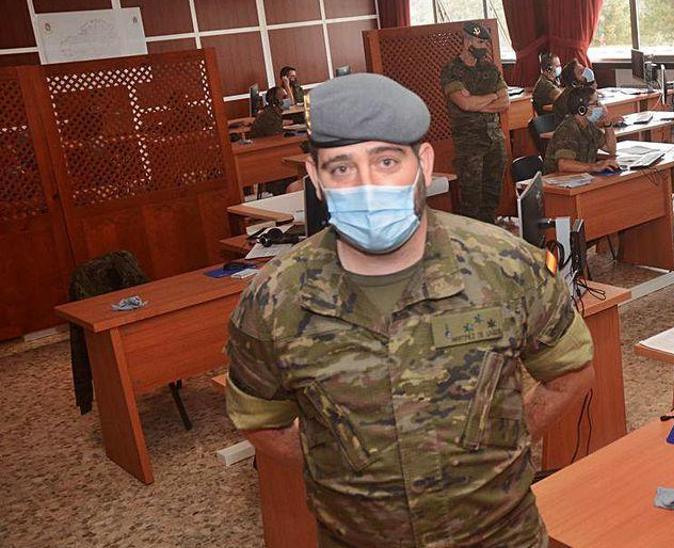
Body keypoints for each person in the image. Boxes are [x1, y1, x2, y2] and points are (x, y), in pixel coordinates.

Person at [224, 72, 596, 546]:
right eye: (342, 168)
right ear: (315, 177)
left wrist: (496, 447)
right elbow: (261, 421)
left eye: (386, 161)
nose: (367, 186)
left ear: (423, 162)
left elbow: (569, 372)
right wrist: (349, 467)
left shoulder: (504, 266)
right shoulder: (274, 298)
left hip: (500, 535)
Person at [441, 22, 510, 223]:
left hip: (494, 141)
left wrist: (477, 101)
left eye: (486, 43)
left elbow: (504, 103)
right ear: (467, 41)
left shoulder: (490, 68)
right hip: (470, 145)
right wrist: (492, 96)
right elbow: (465, 104)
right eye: (480, 42)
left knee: (492, 197)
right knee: (471, 201)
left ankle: (490, 239)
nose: (484, 47)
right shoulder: (452, 71)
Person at [543, 86, 619, 174]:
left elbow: (610, 149)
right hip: (557, 181)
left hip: (579, 177)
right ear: (581, 109)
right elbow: (563, 165)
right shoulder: (568, 129)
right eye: (595, 103)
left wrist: (607, 122)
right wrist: (595, 167)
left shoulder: (589, 125)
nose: (600, 106)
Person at [533, 52, 564, 116]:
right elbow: (563, 99)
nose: (559, 68)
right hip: (551, 118)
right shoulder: (546, 85)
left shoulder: (549, 80)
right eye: (557, 66)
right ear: (548, 69)